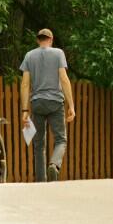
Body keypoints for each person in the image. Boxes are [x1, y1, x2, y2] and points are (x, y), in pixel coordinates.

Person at [20, 28, 76, 182]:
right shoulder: (58, 53)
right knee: (60, 139)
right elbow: (64, 79)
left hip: (37, 103)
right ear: (51, 40)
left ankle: (40, 181)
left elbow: (25, 84)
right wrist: (71, 106)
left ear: (38, 40)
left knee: (38, 144)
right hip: (55, 103)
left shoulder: (29, 56)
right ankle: (54, 164)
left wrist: (25, 109)